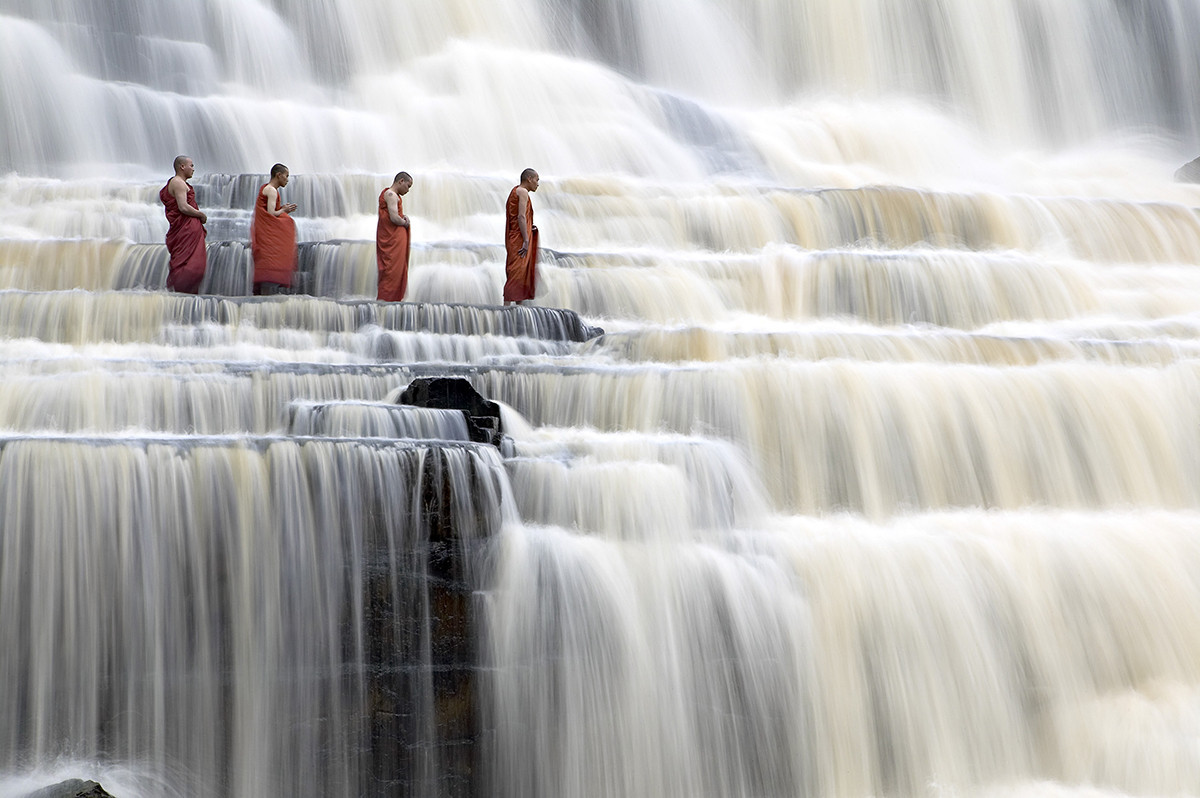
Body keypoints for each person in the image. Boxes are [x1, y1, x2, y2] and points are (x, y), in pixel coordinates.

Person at [159, 155, 208, 293]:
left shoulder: (177, 182)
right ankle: (184, 294)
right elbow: (183, 207)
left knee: (194, 264)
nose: (193, 169)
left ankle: (186, 297)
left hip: (187, 229)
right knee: (190, 266)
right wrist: (201, 215)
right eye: (191, 165)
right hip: (185, 229)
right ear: (182, 167)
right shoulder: (178, 183)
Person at [250, 163, 299, 295]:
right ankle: (264, 294)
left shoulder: (267, 188)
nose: (287, 179)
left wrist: (282, 209)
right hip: (266, 231)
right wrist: (284, 210)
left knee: (267, 261)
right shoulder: (271, 190)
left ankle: (263, 294)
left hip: (262, 229)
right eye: (286, 176)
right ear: (279, 175)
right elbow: (271, 214)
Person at [503, 168, 539, 305]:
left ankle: (519, 311)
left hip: (514, 236)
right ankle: (506, 309)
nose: (537, 183)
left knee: (518, 271)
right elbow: (521, 216)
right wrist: (526, 239)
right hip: (518, 237)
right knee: (516, 271)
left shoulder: (515, 190)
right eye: (537, 180)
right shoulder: (522, 192)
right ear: (529, 179)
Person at [376, 172, 412, 302]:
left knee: (394, 270)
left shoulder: (391, 195)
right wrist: (405, 222)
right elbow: (394, 218)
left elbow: (396, 214)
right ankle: (388, 300)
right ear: (401, 181)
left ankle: (392, 302)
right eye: (408, 186)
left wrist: (403, 217)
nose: (408, 190)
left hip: (395, 238)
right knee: (391, 270)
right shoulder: (391, 195)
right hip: (393, 239)